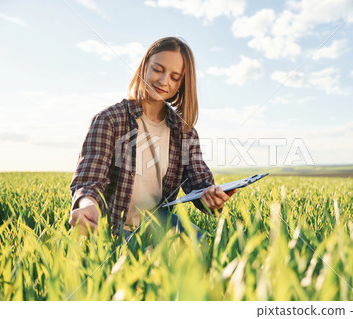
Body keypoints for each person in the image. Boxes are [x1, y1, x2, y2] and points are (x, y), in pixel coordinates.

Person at [69, 37, 236, 239]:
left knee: (209, 249)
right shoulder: (109, 120)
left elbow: (200, 184)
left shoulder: (185, 132)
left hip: (159, 225)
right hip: (114, 229)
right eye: (158, 69)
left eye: (175, 77)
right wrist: (88, 206)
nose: (163, 81)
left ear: (182, 84)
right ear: (145, 66)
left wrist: (213, 198)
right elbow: (89, 181)